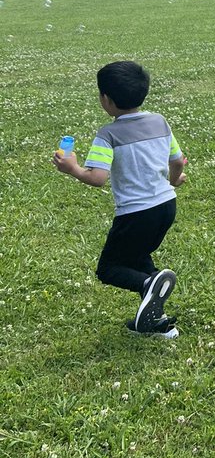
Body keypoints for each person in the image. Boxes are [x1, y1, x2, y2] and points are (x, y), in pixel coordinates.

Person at [53, 60, 186, 339]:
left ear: (106, 100)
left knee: (110, 268)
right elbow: (177, 161)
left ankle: (150, 283)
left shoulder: (108, 134)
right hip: (166, 206)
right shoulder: (159, 121)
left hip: (136, 213)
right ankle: (156, 323)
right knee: (137, 257)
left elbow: (97, 177)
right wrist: (174, 180)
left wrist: (73, 169)